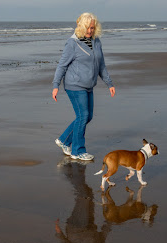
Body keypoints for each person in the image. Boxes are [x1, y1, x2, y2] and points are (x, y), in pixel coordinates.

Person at [52, 12, 116, 161]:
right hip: (74, 85)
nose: (90, 31)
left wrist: (109, 83)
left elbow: (101, 65)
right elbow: (62, 65)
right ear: (81, 26)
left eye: (92, 28)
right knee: (83, 116)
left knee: (87, 116)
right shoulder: (72, 43)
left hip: (88, 85)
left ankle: (64, 140)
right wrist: (55, 85)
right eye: (87, 28)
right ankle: (78, 151)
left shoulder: (96, 41)